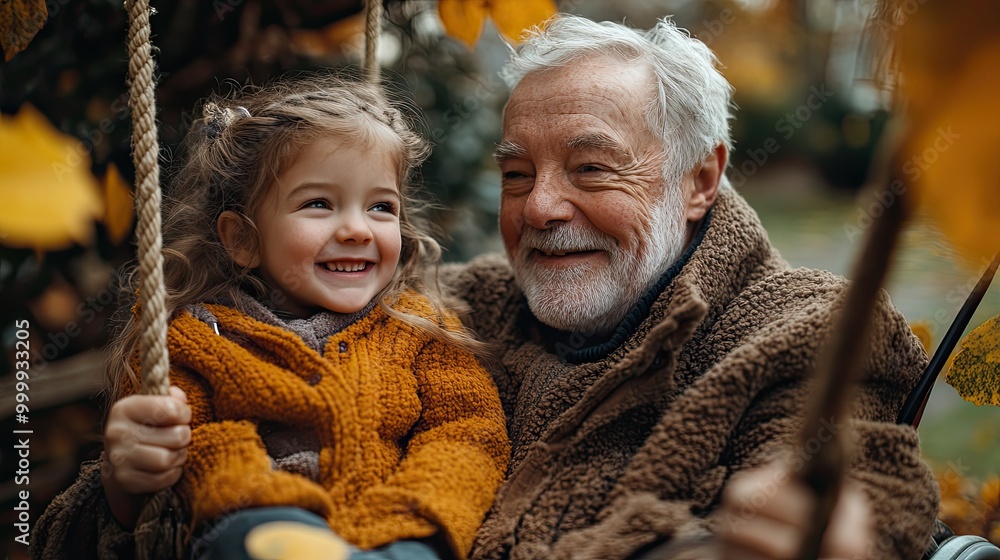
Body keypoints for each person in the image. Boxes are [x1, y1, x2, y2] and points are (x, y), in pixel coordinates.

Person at [439, 14, 938, 560]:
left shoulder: (807, 330)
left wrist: (822, 530)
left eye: (591, 168)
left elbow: (864, 489)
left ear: (699, 181)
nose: (538, 207)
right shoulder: (466, 310)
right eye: (516, 175)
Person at [31, 75, 509, 560]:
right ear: (243, 239)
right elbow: (203, 446)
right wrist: (277, 516)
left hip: (400, 533)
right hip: (261, 527)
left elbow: (468, 430)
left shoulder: (419, 328)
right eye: (318, 204)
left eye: (381, 207)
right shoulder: (199, 338)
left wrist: (410, 522)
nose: (357, 229)